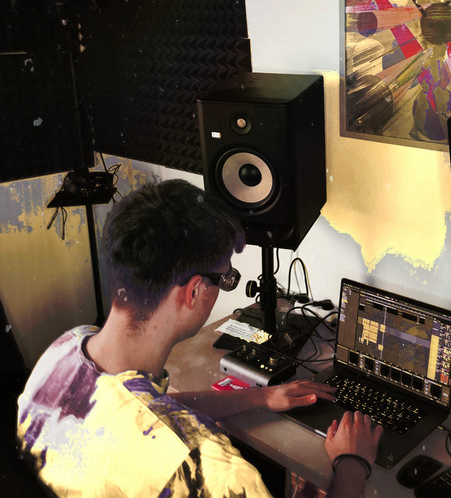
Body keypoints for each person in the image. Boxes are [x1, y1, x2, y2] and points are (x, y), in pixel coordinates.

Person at [17, 179, 382, 497]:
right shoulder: (205, 465)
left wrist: (260, 396)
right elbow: (161, 424)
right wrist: (353, 463)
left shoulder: (64, 351)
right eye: (226, 279)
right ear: (194, 292)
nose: (224, 288)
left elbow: (143, 408)